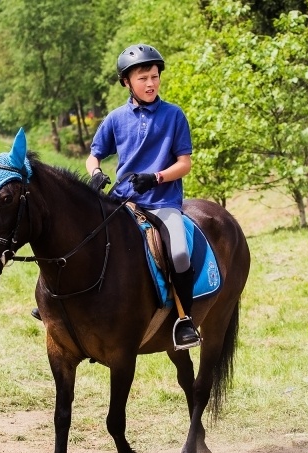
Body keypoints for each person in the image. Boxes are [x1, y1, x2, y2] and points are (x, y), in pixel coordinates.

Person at [85, 43, 200, 350]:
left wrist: (157, 176)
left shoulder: (174, 116)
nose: (150, 83)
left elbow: (184, 164)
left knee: (178, 252)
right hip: (123, 200)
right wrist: (95, 173)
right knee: (78, 232)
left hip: (162, 202)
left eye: (154, 76)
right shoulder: (115, 118)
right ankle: (56, 305)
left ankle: (184, 320)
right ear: (127, 82)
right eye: (142, 78)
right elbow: (93, 155)